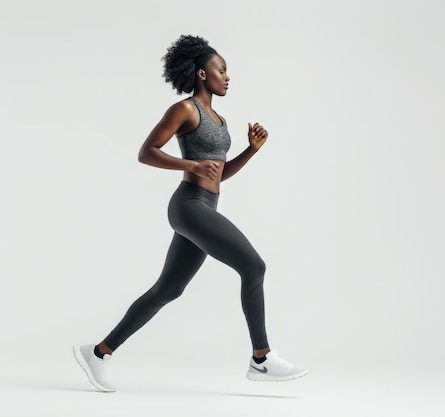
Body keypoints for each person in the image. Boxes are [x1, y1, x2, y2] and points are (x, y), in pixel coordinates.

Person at [73, 34, 309, 392]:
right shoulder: (185, 110)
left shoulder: (220, 119)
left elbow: (219, 172)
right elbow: (146, 152)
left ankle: (99, 353)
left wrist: (250, 151)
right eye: (221, 70)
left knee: (167, 290)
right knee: (254, 266)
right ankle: (261, 358)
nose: (227, 76)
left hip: (205, 205)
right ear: (201, 73)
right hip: (189, 205)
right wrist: (190, 165)